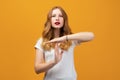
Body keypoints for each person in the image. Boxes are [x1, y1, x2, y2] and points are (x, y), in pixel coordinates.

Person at [34, 6, 94, 80]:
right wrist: (54, 62)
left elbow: (91, 36)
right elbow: (37, 69)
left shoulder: (70, 39)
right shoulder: (42, 41)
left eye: (61, 16)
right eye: (53, 16)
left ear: (64, 20)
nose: (57, 18)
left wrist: (65, 38)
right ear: (49, 20)